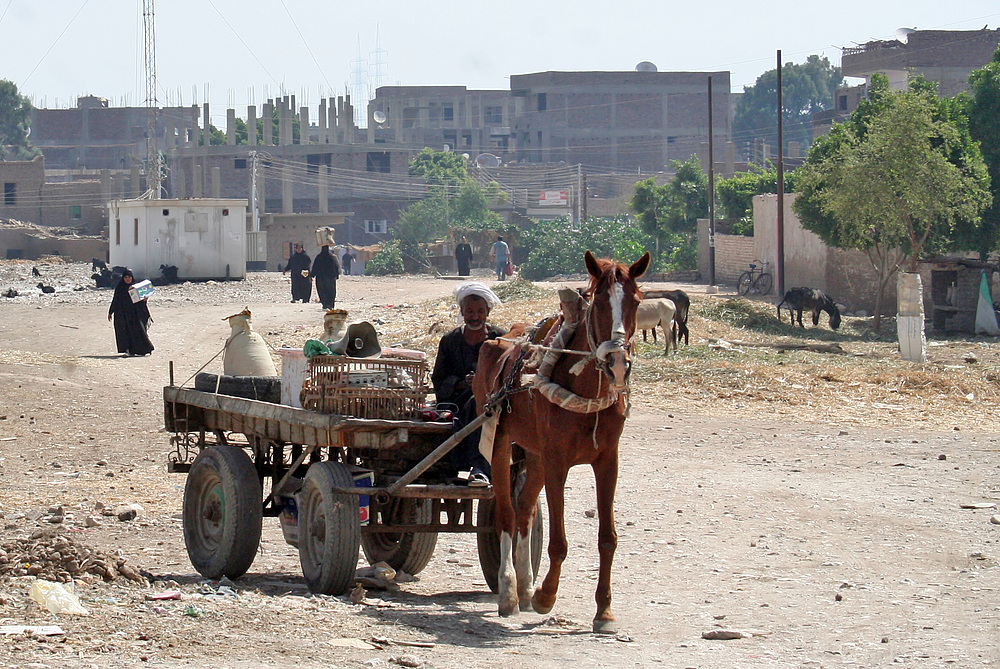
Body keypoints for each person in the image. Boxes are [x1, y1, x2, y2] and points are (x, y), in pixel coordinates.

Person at [431, 282, 505, 487]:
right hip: (455, 400)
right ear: (462, 312)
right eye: (470, 311)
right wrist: (461, 383)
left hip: (492, 400)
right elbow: (438, 378)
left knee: (479, 402)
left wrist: (484, 383)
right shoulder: (449, 340)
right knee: (468, 405)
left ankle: (480, 467)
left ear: (488, 312)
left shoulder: (500, 339)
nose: (475, 316)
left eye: (480, 311)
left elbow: (509, 374)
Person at [107, 268, 154, 357]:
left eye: (129, 277)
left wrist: (144, 300)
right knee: (124, 332)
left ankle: (143, 350)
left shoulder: (135, 288)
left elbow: (140, 302)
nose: (128, 279)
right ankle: (127, 350)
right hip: (122, 314)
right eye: (126, 277)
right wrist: (110, 312)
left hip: (133, 315)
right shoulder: (120, 288)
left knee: (137, 332)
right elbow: (115, 300)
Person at [311, 245, 341, 309]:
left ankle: (325, 304)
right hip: (330, 278)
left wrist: (312, 275)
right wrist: (337, 275)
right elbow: (336, 266)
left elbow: (315, 267)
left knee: (322, 291)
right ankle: (330, 305)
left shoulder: (319, 257)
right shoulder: (332, 257)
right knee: (331, 291)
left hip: (320, 278)